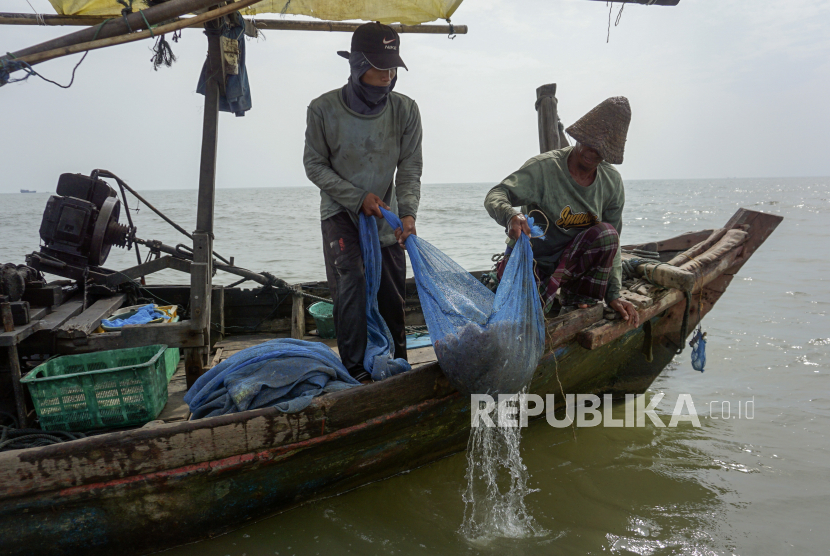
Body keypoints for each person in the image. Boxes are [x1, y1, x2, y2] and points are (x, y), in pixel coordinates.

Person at [303, 22, 423, 380]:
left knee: (391, 294)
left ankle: (398, 368)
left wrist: (410, 214)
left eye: (392, 68)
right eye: (378, 66)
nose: (387, 75)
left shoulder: (406, 110)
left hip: (386, 215)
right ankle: (356, 373)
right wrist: (356, 198)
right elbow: (314, 165)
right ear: (356, 65)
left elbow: (410, 168)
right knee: (352, 284)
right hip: (341, 213)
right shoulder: (322, 109)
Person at [484, 96, 640, 327]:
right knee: (514, 322)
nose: (592, 151)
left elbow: (614, 244)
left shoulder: (611, 182)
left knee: (606, 235)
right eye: (588, 142)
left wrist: (613, 294)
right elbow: (496, 195)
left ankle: (577, 299)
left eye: (600, 148)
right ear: (579, 136)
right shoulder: (545, 168)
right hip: (532, 261)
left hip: (570, 266)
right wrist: (511, 216)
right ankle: (530, 296)